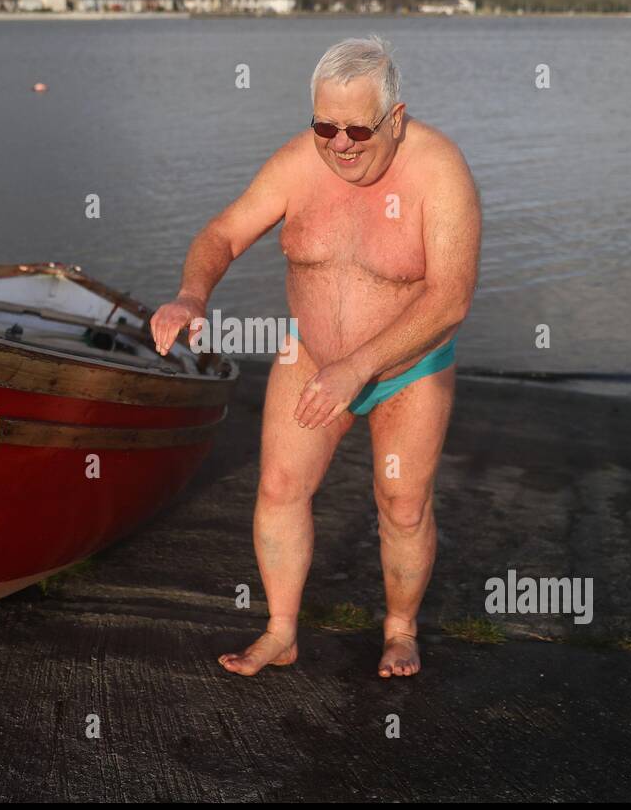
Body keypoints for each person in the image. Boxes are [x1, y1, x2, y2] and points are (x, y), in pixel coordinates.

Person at [151, 36, 482, 679]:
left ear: (396, 117)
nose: (341, 144)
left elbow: (450, 300)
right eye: (325, 126)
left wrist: (358, 367)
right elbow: (223, 233)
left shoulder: (440, 171)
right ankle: (280, 631)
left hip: (407, 370)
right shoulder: (299, 165)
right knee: (280, 487)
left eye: (358, 128)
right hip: (310, 357)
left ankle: (400, 631)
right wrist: (193, 296)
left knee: (403, 502)